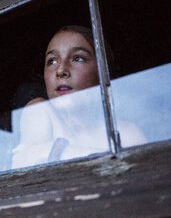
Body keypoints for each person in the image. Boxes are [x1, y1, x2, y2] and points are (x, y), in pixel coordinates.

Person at [11, 26, 145, 169]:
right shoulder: (40, 110)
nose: (61, 70)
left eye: (78, 58)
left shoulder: (125, 132)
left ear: (101, 72)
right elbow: (28, 161)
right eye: (52, 61)